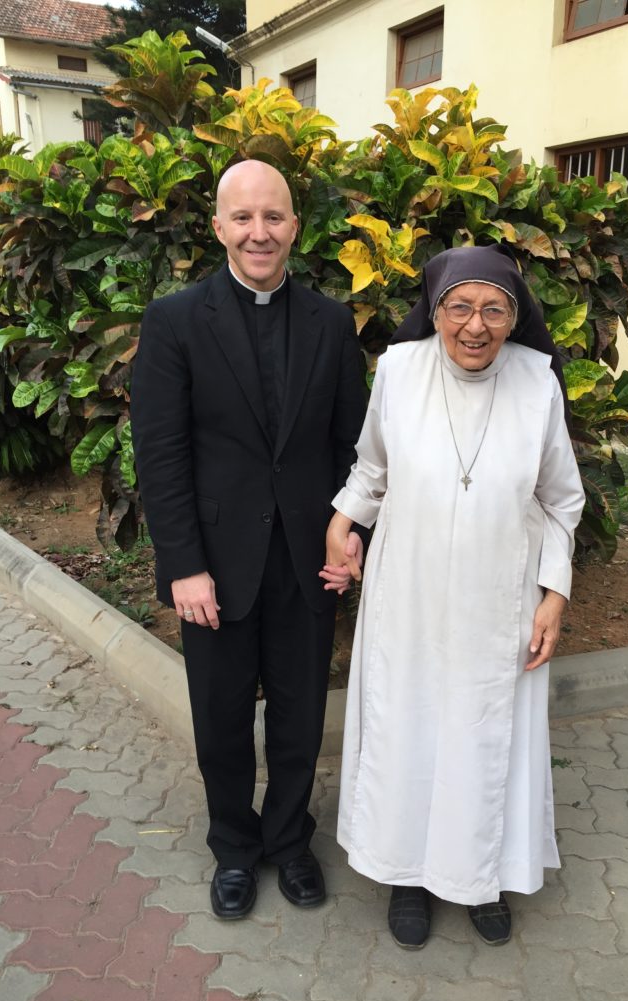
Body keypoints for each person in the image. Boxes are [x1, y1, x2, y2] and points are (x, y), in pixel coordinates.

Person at [322, 245, 585, 949]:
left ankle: (483, 876)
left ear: (515, 317)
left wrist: (554, 592)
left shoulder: (537, 382)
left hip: (498, 598)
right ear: (434, 312)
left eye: (494, 310)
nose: (476, 326)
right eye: (459, 308)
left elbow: (562, 501)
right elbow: (371, 469)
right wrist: (342, 523)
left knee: (481, 733)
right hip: (405, 594)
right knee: (407, 725)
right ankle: (407, 872)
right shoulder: (400, 371)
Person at [131, 160, 367, 919]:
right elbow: (160, 455)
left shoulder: (332, 323)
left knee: (300, 715)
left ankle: (290, 842)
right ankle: (234, 847)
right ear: (219, 226)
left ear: (296, 225)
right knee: (223, 715)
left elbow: (354, 447)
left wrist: (349, 532)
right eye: (244, 217)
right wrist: (183, 567)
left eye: (274, 217)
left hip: (307, 559)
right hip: (216, 567)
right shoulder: (173, 320)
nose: (259, 232)